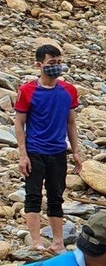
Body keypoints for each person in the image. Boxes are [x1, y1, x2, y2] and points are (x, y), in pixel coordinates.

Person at [15, 44, 84, 253]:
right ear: (39, 65)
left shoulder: (68, 91)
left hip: (57, 151)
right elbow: (19, 122)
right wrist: (22, 154)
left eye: (58, 62)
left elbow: (70, 122)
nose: (56, 67)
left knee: (56, 196)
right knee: (33, 195)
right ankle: (36, 241)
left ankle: (58, 241)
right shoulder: (27, 91)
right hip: (35, 150)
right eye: (51, 63)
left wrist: (76, 151)